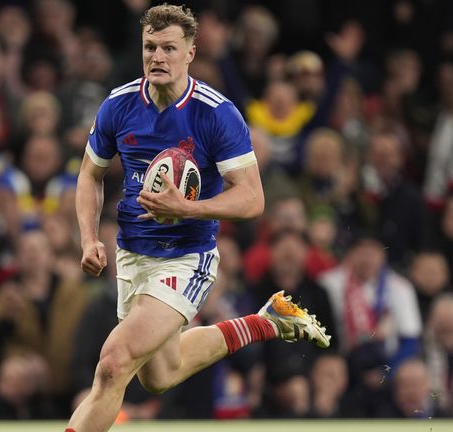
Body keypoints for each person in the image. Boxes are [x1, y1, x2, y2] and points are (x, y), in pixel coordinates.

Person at [68, 5, 329, 432]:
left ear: (191, 51)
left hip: (187, 257)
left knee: (113, 364)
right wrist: (87, 238)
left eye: (169, 48)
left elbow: (251, 200)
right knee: (159, 375)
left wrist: (186, 209)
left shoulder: (217, 112)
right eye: (150, 47)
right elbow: (89, 175)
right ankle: (266, 322)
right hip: (133, 255)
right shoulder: (118, 104)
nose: (157, 57)